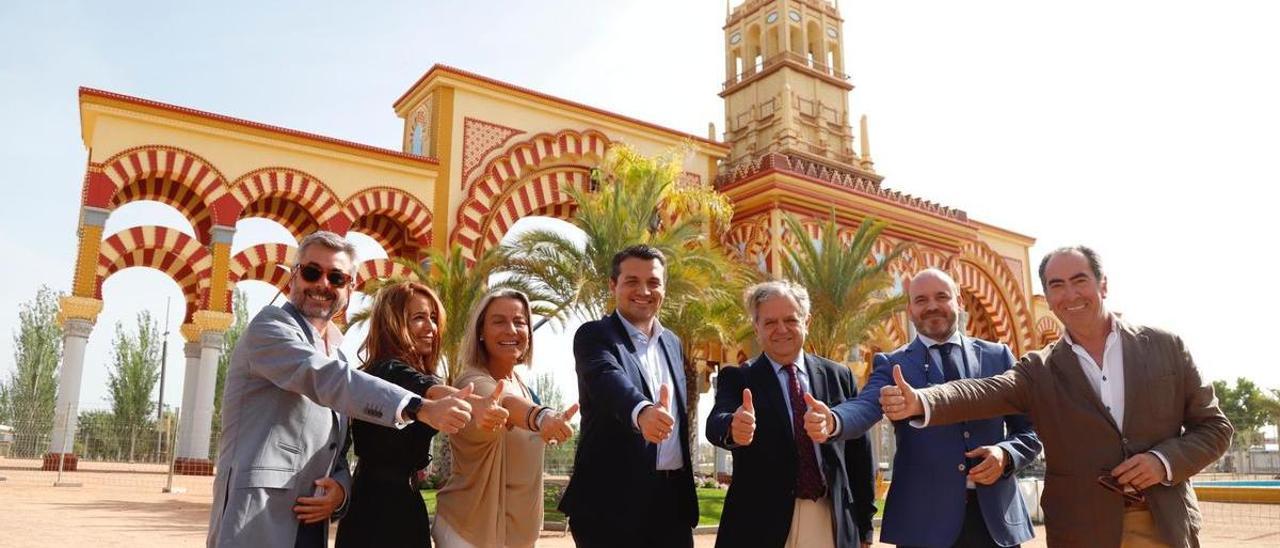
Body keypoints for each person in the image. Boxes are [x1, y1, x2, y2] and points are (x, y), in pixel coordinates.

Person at [881, 246, 1233, 547]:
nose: (1070, 294)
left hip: (1162, 523)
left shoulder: (1165, 347)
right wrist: (923, 401)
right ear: (1047, 298)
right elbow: (985, 390)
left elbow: (1215, 429)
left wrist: (1163, 461)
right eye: (1057, 285)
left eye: (1080, 280)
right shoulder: (1040, 368)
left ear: (1103, 284)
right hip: (1082, 530)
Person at [208, 231, 474, 548]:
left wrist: (341, 488)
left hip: (310, 523)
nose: (323, 284)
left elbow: (339, 446)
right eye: (311, 272)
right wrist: (418, 406)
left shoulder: (337, 354)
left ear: (349, 289)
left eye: (336, 277)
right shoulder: (270, 327)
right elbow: (325, 378)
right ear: (292, 278)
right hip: (259, 518)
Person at [812, 268, 1041, 547]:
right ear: (909, 310)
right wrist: (834, 420)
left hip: (993, 523)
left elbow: (1030, 432)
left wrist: (1006, 454)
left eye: (941, 296)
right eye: (921, 300)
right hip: (923, 526)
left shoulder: (997, 356)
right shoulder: (892, 364)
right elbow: (865, 406)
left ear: (959, 301)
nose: (931, 306)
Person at [335, 281, 507, 547]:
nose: (431, 328)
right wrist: (475, 403)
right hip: (375, 512)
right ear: (393, 323)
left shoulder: (405, 372)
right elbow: (424, 389)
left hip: (406, 502)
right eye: (419, 318)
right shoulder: (384, 371)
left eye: (434, 318)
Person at [706, 280, 876, 548]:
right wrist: (732, 427)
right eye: (770, 322)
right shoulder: (739, 377)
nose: (781, 329)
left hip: (826, 518)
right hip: (760, 525)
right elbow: (716, 422)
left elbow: (859, 452)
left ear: (806, 322)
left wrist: (864, 525)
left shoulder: (838, 376)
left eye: (790, 320)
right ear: (756, 327)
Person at [558, 245, 698, 548]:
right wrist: (642, 411)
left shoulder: (672, 342)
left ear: (664, 287)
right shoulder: (595, 336)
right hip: (610, 506)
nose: (644, 291)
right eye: (632, 281)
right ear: (613, 285)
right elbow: (608, 379)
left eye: (654, 282)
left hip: (672, 503)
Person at [434, 288, 578, 548]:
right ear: (481, 332)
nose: (511, 330)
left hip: (516, 535)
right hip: (471, 532)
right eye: (498, 321)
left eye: (520, 322)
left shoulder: (522, 386)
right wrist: (542, 416)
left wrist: (548, 426)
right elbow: (505, 404)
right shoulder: (472, 381)